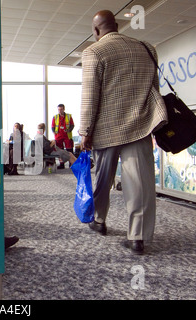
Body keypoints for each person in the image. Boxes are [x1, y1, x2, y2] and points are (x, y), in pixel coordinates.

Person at [79, 11, 167, 254]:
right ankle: (137, 237)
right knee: (140, 183)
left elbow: (90, 97)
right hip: (140, 125)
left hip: (106, 129)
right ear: (116, 26)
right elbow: (155, 88)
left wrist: (85, 131)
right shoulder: (146, 47)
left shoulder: (94, 52)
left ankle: (99, 220)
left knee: (103, 179)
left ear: (96, 31)